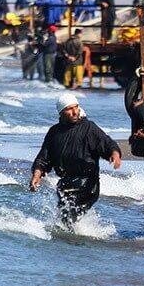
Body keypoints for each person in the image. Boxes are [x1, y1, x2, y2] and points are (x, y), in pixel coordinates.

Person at [30, 93, 122, 226]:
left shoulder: (89, 128)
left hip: (88, 184)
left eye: (76, 107)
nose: (74, 112)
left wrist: (115, 154)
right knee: (65, 219)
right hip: (65, 184)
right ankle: (75, 239)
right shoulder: (54, 132)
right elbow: (43, 158)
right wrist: (36, 175)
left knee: (69, 217)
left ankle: (75, 241)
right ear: (61, 112)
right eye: (69, 109)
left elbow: (106, 143)